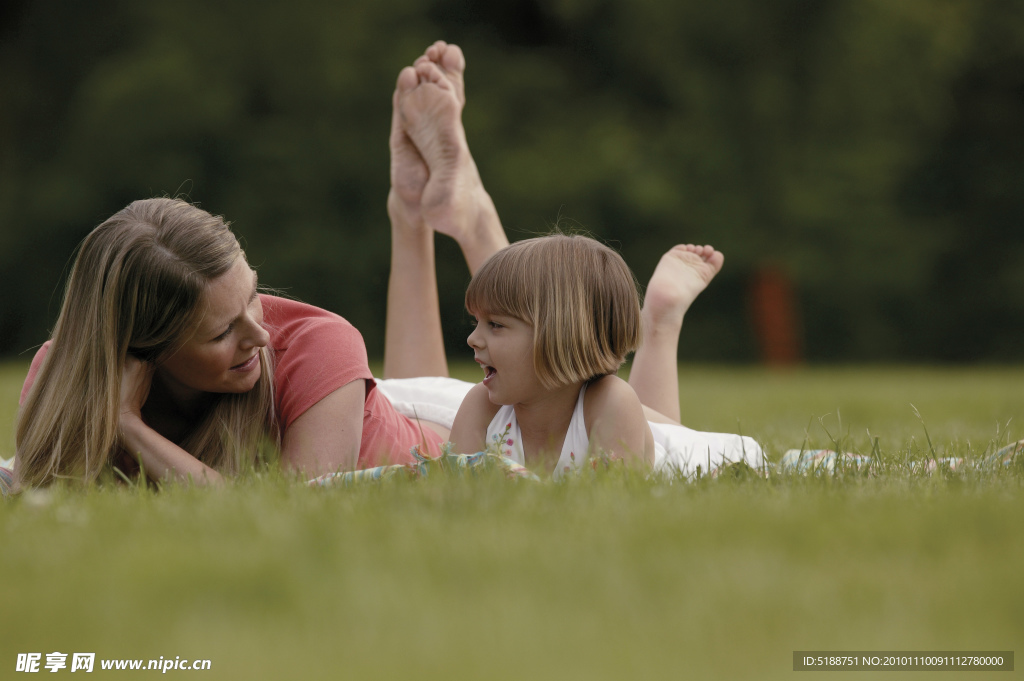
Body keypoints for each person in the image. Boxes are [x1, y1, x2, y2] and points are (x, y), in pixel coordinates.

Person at [6, 40, 752, 491]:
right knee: (525, 353)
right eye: (220, 333)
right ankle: (419, 212)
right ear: (145, 349)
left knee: (616, 401)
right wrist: (116, 422)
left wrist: (129, 430)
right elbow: (37, 475)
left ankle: (634, 314)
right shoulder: (66, 376)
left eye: (254, 302)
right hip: (412, 413)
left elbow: (298, 505)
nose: (258, 337)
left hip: (419, 429)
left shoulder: (310, 345)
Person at [446, 235, 761, 477]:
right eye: (477, 323)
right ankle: (659, 318)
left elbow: (613, 501)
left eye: (496, 325)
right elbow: (456, 489)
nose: (473, 339)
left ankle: (661, 319)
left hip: (713, 460)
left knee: (670, 436)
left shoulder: (611, 403)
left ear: (562, 334)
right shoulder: (481, 407)